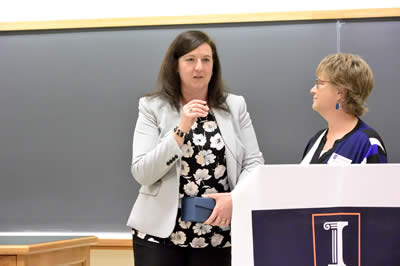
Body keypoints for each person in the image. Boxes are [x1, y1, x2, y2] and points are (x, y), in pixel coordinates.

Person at [126, 30, 264, 266]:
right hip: (160, 236)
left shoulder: (234, 105)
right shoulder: (152, 107)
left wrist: (236, 198)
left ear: (214, 65)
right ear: (176, 65)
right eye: (190, 60)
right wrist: (182, 128)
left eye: (206, 60)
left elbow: (254, 164)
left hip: (219, 233)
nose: (199, 67)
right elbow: (142, 172)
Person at [301, 53, 387, 164]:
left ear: (341, 91)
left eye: (320, 83)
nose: (312, 90)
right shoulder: (316, 140)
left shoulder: (368, 143)